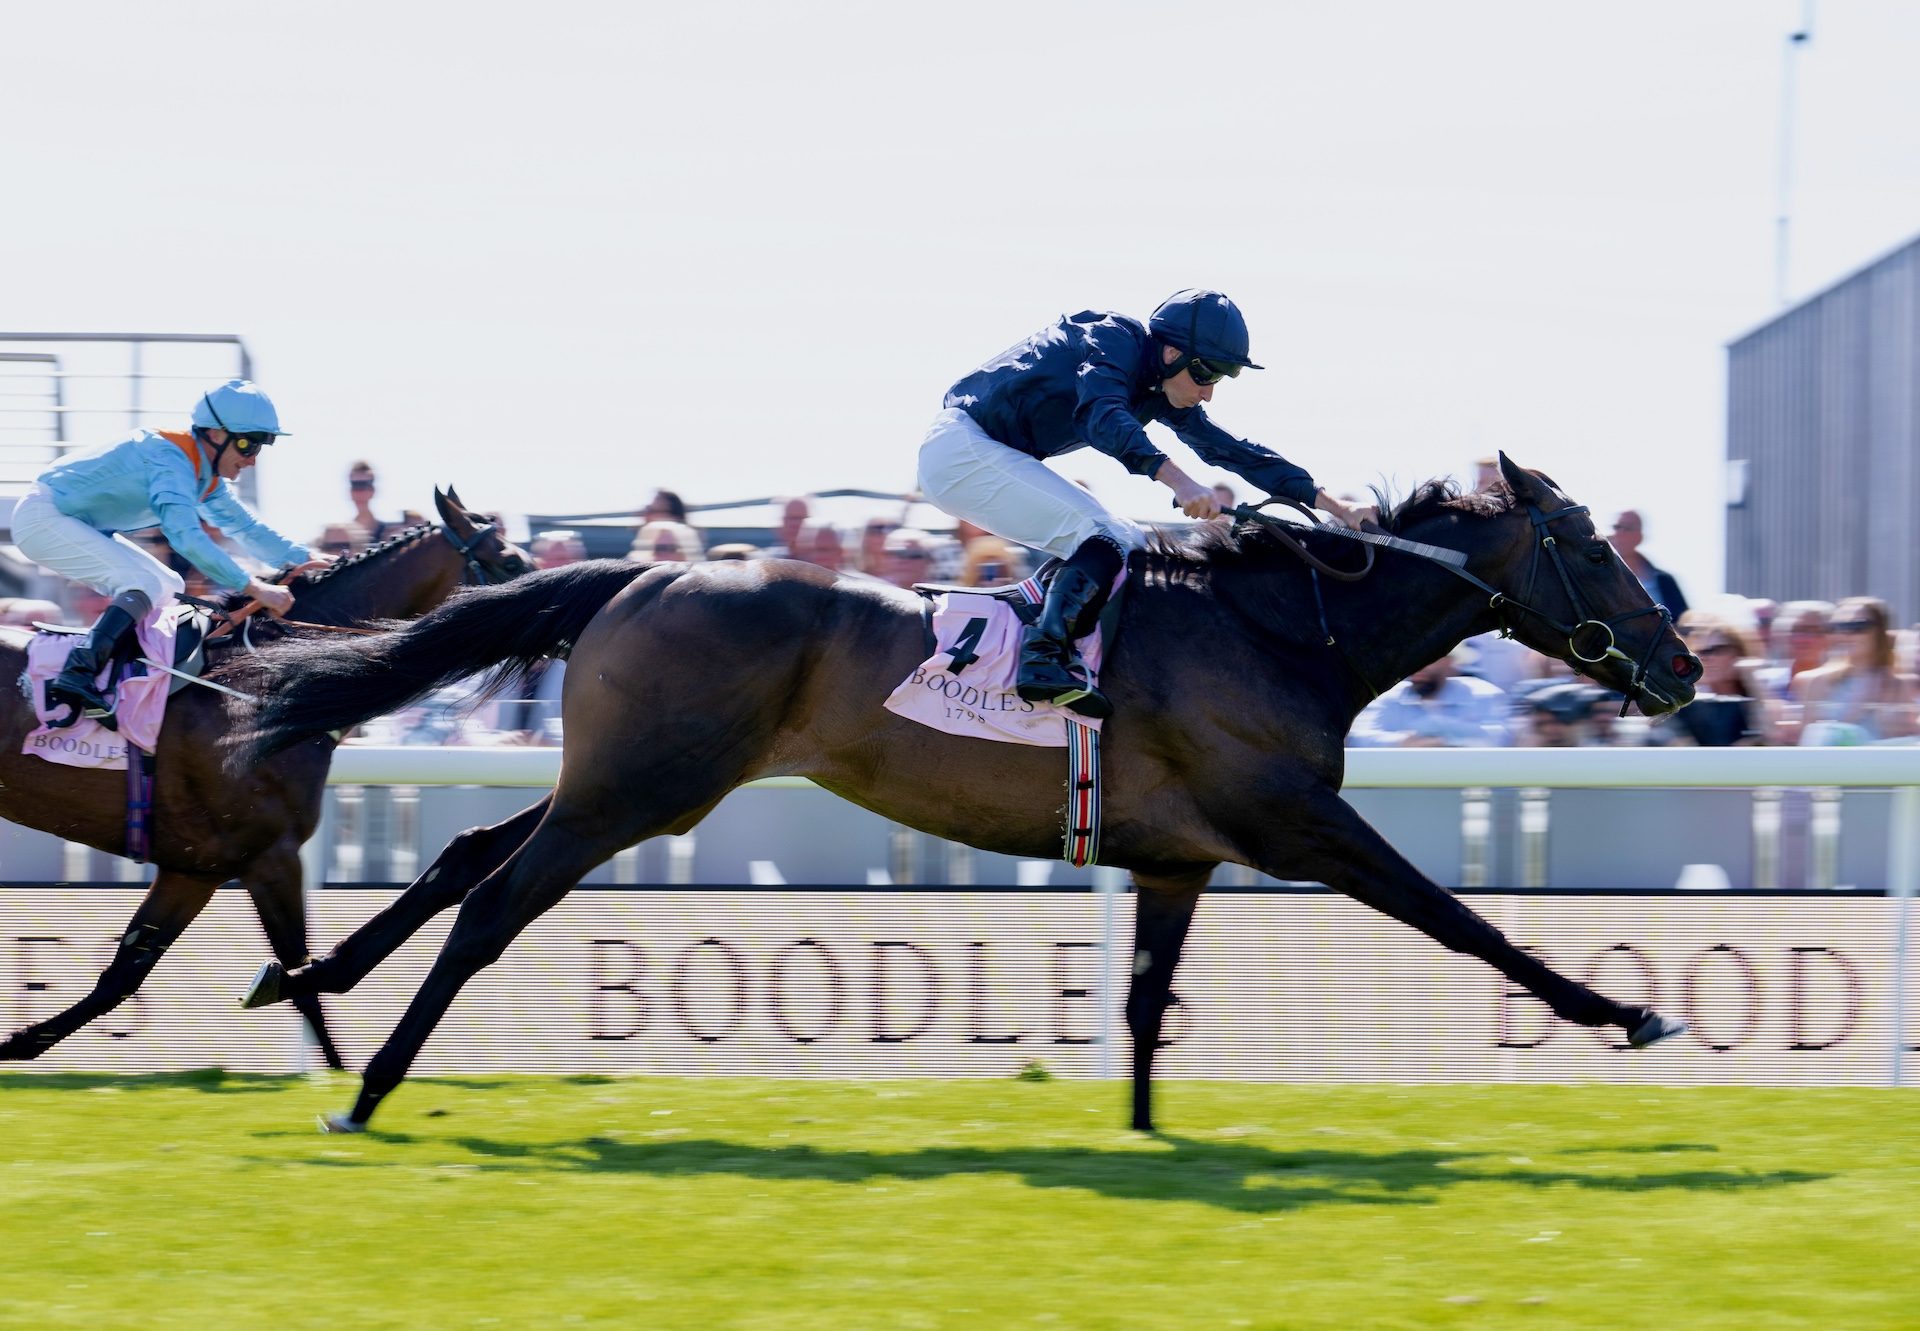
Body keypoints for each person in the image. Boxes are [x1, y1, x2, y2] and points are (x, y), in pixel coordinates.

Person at [920, 289, 1366, 718]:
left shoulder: (1159, 386)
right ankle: (1042, 658)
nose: (1208, 392)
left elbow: (1231, 450)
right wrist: (1179, 481)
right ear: (1172, 353)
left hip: (985, 454)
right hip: (962, 448)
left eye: (1219, 379)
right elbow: (1102, 414)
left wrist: (1337, 507)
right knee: (1106, 535)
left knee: (1125, 540)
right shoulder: (1113, 338)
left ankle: (1059, 653)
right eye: (1206, 374)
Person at [10, 379, 325, 725]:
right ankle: (78, 673)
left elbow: (247, 529)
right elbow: (185, 538)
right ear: (216, 435)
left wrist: (307, 559)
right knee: (141, 584)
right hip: (43, 517)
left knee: (167, 585)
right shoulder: (169, 458)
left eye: (261, 447)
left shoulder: (205, 475)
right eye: (248, 445)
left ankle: (120, 674)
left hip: (72, 521)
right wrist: (255, 587)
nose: (252, 460)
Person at [1790, 596, 1918, 744]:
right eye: (1839, 626)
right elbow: (1808, 745)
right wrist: (1858, 708)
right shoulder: (1816, 682)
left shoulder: (1899, 685)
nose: (1845, 634)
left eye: (1858, 626)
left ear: (1880, 632)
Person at [1348, 645, 1513, 747]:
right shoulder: (1387, 698)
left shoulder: (1482, 694)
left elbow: (1501, 736)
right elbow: (1359, 738)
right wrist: (1403, 742)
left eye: (1428, 658)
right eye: (1412, 658)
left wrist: (1444, 738)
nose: (1418, 665)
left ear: (1449, 662)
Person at [1609, 509, 1688, 620]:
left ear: (1639, 537)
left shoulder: (1664, 581)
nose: (1619, 533)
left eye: (1627, 528)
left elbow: (1682, 622)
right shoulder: (1601, 579)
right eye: (1617, 527)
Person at [343, 460, 404, 547]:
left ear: (373, 490)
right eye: (355, 486)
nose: (360, 492)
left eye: (364, 485)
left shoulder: (390, 531)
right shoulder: (340, 536)